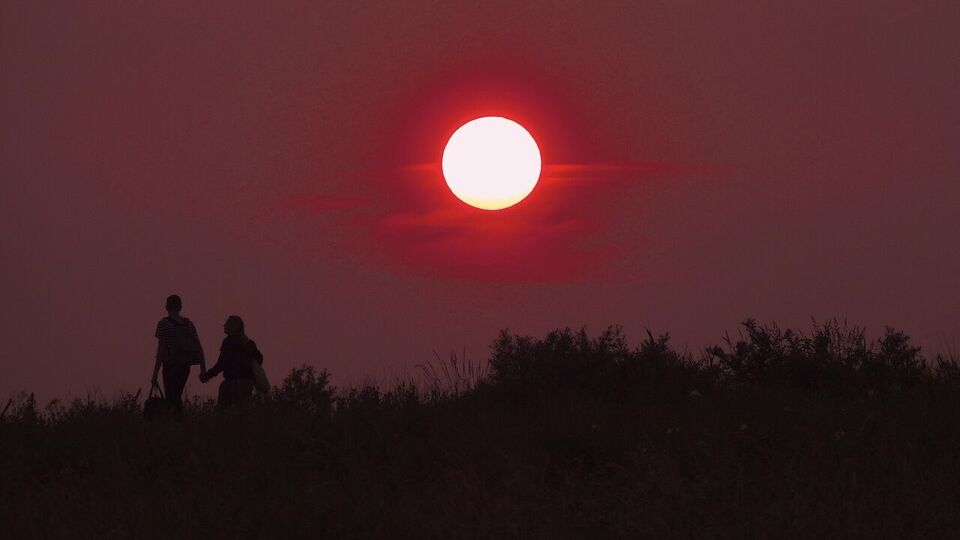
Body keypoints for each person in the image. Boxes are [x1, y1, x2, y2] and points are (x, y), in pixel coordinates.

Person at [151, 294, 205, 415]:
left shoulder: (163, 324)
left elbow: (161, 350)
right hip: (185, 366)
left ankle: (175, 422)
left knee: (171, 397)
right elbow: (199, 347)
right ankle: (178, 421)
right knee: (177, 394)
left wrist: (155, 373)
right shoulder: (189, 324)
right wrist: (203, 369)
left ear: (166, 307)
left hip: (170, 365)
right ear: (180, 307)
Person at [200, 315, 263, 408]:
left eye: (226, 323)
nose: (224, 325)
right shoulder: (249, 343)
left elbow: (221, 364)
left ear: (232, 326)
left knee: (223, 415)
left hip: (230, 384)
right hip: (246, 383)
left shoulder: (228, 342)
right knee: (244, 414)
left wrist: (208, 375)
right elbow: (259, 359)